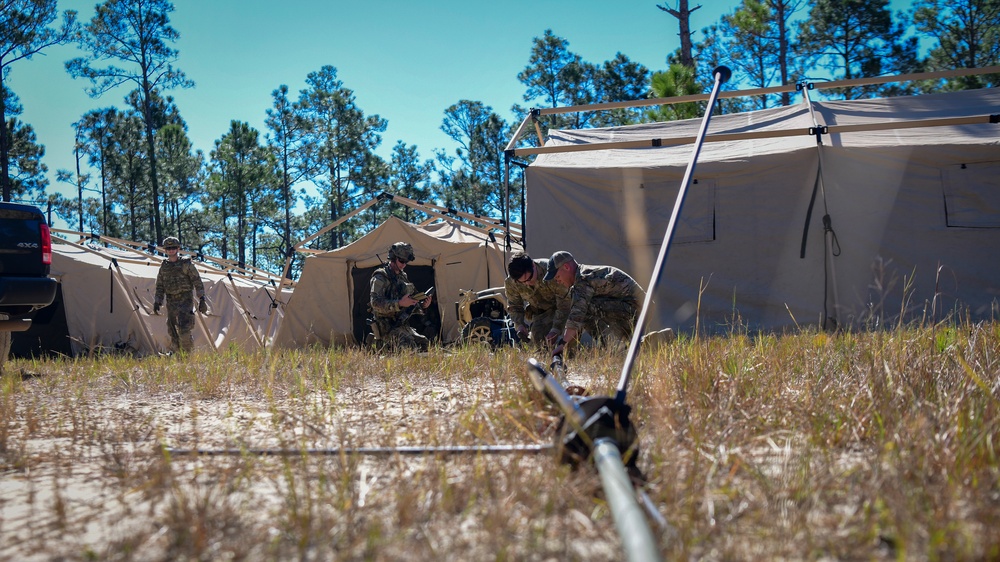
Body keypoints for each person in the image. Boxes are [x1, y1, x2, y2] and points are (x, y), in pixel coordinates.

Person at [543, 251, 645, 355]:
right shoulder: (582, 277)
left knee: (586, 308)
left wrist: (563, 344)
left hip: (639, 310)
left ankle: (615, 348)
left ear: (566, 267)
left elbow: (576, 317)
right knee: (585, 309)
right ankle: (615, 347)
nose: (557, 281)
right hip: (630, 309)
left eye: (557, 277)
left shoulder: (583, 279)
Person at [369, 242, 432, 351]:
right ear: (393, 258)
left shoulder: (402, 277)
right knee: (408, 348)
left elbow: (410, 301)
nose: (404, 265)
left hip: (402, 325)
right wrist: (399, 303)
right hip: (387, 328)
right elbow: (375, 303)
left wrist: (422, 305)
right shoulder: (380, 277)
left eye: (406, 262)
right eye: (401, 261)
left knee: (424, 343)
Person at [153, 236, 207, 353]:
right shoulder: (164, 267)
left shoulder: (186, 264)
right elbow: (160, 286)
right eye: (168, 248)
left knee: (184, 330)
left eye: (173, 248)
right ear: (165, 250)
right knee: (173, 332)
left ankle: (187, 357)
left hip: (185, 300)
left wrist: (202, 298)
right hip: (171, 302)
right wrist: (157, 301)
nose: (171, 250)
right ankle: (179, 357)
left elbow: (197, 281)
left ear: (178, 249)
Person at [504, 251, 566, 346]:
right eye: (522, 282)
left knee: (565, 343)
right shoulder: (511, 282)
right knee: (539, 345)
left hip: (563, 310)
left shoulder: (551, 271)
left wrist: (555, 329)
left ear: (533, 265)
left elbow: (565, 303)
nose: (527, 283)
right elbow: (514, 306)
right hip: (541, 314)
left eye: (529, 279)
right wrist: (519, 325)